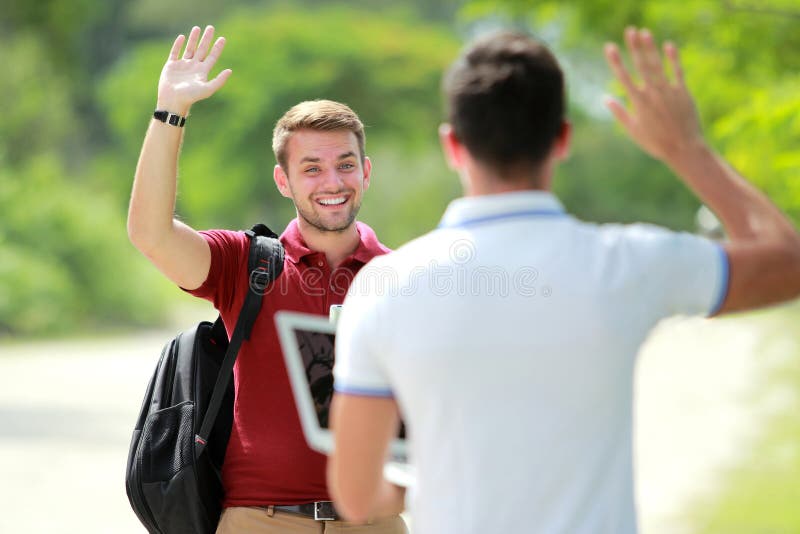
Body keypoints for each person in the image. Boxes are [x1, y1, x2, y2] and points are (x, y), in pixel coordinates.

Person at [327, 27, 800, 533]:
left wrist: (429, 478)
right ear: (563, 138)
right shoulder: (627, 263)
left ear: (453, 145)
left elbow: (355, 497)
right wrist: (686, 149)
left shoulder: (383, 287)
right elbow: (787, 263)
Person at [127, 25, 407, 533]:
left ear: (366, 172)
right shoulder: (247, 264)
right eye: (312, 168)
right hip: (262, 520)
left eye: (345, 165)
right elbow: (150, 233)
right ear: (284, 181)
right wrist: (171, 112)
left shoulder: (405, 275)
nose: (333, 183)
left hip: (375, 522)